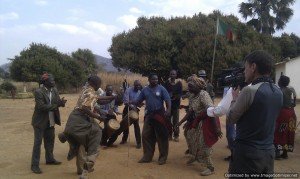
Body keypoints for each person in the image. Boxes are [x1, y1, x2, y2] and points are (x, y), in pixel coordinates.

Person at [227, 50, 283, 176]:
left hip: (247, 155)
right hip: (268, 154)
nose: (244, 72)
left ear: (253, 67)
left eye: (245, 68)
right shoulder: (278, 92)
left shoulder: (249, 91)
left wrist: (235, 98)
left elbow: (231, 118)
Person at [59, 75, 114, 178]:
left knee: (81, 142)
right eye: (99, 84)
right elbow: (85, 108)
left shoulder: (87, 89)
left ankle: (66, 135)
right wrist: (99, 117)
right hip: (81, 119)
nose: (100, 86)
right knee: (96, 134)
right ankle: (89, 162)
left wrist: (112, 97)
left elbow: (99, 99)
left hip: (74, 119)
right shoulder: (90, 92)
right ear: (96, 84)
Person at [177, 75, 221, 176]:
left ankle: (210, 167)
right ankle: (195, 156)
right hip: (198, 120)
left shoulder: (203, 94)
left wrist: (216, 128)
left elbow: (211, 110)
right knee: (189, 135)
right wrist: (180, 122)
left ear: (198, 86)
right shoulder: (192, 95)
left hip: (208, 121)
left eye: (191, 87)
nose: (189, 88)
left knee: (205, 144)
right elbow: (191, 111)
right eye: (189, 86)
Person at [31, 73, 67, 174]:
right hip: (39, 121)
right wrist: (57, 105)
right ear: (45, 82)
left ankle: (50, 159)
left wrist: (62, 103)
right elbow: (41, 107)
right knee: (37, 143)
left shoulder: (54, 89)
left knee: (50, 141)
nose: (54, 82)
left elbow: (57, 101)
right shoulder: (38, 92)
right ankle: (34, 165)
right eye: (52, 80)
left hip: (51, 120)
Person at [132, 73, 171, 165]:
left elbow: (167, 100)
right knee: (146, 135)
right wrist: (133, 104)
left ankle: (163, 157)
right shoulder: (145, 90)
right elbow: (138, 101)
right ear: (149, 80)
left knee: (161, 137)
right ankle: (147, 156)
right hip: (149, 116)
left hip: (160, 115)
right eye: (153, 79)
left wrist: (168, 110)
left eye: (156, 79)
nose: (155, 81)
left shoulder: (161, 89)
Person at [107, 80, 142, 148]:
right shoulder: (128, 90)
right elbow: (126, 102)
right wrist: (132, 105)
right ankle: (123, 139)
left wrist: (139, 104)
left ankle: (139, 143)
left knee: (136, 126)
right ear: (134, 85)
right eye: (136, 85)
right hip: (127, 109)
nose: (138, 87)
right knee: (124, 125)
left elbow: (139, 103)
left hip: (135, 110)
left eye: (139, 85)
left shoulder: (140, 92)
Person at [274, 75, 297, 160]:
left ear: (280, 82)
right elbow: (294, 100)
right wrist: (293, 103)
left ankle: (277, 153)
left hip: (283, 114)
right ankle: (285, 153)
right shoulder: (291, 89)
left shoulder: (279, 90)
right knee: (289, 133)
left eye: (279, 80)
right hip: (291, 113)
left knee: (280, 132)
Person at [163, 70, 182, 142]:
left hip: (176, 105)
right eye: (171, 74)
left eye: (174, 74)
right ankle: (169, 135)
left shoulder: (179, 83)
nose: (172, 75)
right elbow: (164, 93)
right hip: (168, 105)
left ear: (176, 75)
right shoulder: (166, 83)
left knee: (176, 121)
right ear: (169, 75)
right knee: (168, 121)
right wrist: (168, 97)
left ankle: (176, 135)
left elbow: (180, 94)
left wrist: (175, 97)